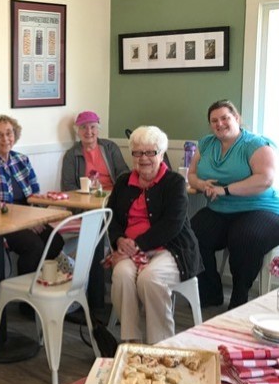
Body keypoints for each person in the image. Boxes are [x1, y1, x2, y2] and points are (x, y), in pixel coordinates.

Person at [107, 126, 202, 344]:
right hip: (129, 250)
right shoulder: (123, 182)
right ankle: (131, 341)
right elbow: (112, 219)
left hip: (171, 249)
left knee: (150, 279)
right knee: (121, 275)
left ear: (161, 154)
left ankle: (161, 344)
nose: (144, 158)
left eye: (151, 152)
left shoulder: (174, 183)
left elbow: (172, 225)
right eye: (138, 152)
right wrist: (119, 241)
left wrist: (136, 246)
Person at [189, 100, 279, 309]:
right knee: (191, 233)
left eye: (225, 118)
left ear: (236, 118)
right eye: (214, 120)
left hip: (260, 209)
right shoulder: (206, 144)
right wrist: (201, 184)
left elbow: (265, 179)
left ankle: (239, 299)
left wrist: (225, 190)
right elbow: (192, 174)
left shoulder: (255, 144)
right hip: (221, 209)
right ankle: (210, 292)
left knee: (244, 237)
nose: (219, 124)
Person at [61, 111, 129, 311]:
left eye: (92, 127)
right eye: (83, 127)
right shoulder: (72, 155)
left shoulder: (109, 147)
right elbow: (67, 187)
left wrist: (114, 195)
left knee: (105, 231)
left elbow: (124, 174)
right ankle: (95, 301)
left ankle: (104, 297)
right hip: (86, 207)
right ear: (78, 131)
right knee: (97, 231)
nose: (88, 131)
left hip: (113, 203)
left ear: (98, 128)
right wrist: (86, 196)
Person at [0, 114, 64, 275]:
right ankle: (24, 295)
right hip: (2, 220)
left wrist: (36, 218)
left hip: (28, 216)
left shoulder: (22, 159)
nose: (5, 138)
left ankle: (34, 279)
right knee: (34, 246)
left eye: (9, 133)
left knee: (55, 241)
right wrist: (27, 222)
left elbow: (34, 193)